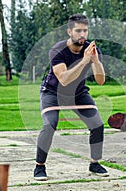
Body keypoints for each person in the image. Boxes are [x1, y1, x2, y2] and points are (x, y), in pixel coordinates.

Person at [34, 13, 109, 181]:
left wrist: (96, 61)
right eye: (78, 31)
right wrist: (84, 61)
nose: (82, 35)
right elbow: (64, 79)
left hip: (78, 93)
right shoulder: (58, 50)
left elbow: (101, 80)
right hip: (52, 92)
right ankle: (39, 166)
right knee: (50, 125)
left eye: (85, 31)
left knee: (97, 125)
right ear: (69, 32)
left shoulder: (92, 50)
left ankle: (94, 163)